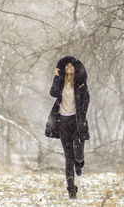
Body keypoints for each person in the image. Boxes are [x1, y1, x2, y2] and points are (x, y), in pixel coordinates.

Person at [49, 55, 90, 199]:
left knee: (78, 154)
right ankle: (71, 189)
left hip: (77, 121)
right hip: (63, 122)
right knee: (68, 158)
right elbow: (53, 93)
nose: (69, 69)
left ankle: (80, 164)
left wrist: (82, 114)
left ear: (75, 68)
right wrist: (56, 77)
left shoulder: (81, 83)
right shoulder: (60, 82)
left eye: (71, 67)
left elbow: (86, 99)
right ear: (64, 70)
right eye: (66, 67)